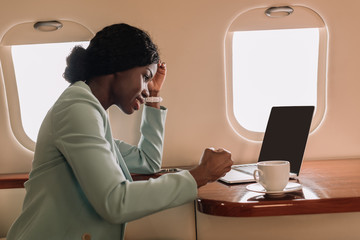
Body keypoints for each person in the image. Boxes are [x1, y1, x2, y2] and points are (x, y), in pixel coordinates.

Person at [7, 23, 233, 240]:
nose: (145, 89)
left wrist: (153, 96)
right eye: (145, 77)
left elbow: (147, 161)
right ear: (119, 65)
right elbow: (115, 202)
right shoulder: (77, 109)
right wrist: (200, 175)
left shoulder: (90, 112)